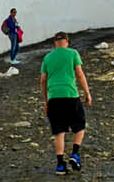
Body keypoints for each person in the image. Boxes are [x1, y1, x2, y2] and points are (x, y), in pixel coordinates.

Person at [39, 31, 92, 173]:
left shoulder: (48, 57)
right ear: (67, 42)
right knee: (80, 126)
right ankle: (75, 153)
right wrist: (87, 93)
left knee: (59, 132)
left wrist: (46, 101)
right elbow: (79, 74)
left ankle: (60, 165)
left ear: (55, 43)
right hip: (70, 95)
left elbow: (43, 80)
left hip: (54, 98)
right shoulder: (73, 53)